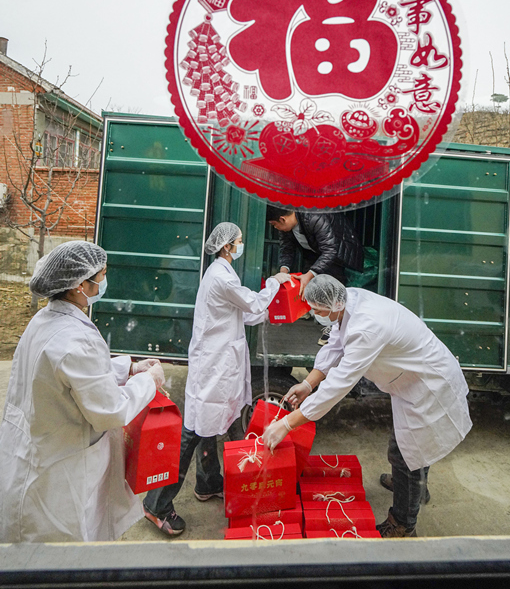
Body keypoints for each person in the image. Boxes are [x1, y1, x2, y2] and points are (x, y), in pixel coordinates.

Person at [262, 275, 472, 538]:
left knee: (405, 452)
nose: (315, 315)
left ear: (334, 305)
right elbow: (336, 344)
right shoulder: (346, 299)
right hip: (410, 380)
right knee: (415, 444)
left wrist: (286, 424)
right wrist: (308, 383)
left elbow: (338, 384)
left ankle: (403, 522)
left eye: (318, 310)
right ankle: (412, 488)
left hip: (428, 384)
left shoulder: (367, 327)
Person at [0, 241, 165, 543]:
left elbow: (73, 373)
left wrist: (129, 368)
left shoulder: (45, 321)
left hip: (33, 451)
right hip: (58, 470)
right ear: (79, 285)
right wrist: (149, 381)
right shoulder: (76, 339)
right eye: (101, 275)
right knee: (61, 553)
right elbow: (111, 410)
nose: (104, 281)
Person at [142, 221, 293, 536]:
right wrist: (275, 283)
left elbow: (244, 313)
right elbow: (252, 302)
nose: (241, 245)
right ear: (227, 246)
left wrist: (273, 312)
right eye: (239, 241)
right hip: (212, 366)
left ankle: (208, 483)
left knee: (211, 425)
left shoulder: (224, 273)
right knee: (194, 431)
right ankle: (156, 505)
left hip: (221, 364)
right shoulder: (221, 277)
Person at [266, 206, 363, 343]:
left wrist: (309, 274)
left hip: (339, 251)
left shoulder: (314, 218)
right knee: (310, 281)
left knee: (332, 287)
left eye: (274, 224)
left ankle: (334, 327)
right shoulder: (286, 227)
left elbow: (330, 250)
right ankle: (309, 310)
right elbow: (287, 250)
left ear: (282, 219)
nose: (275, 228)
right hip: (314, 252)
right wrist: (283, 273)